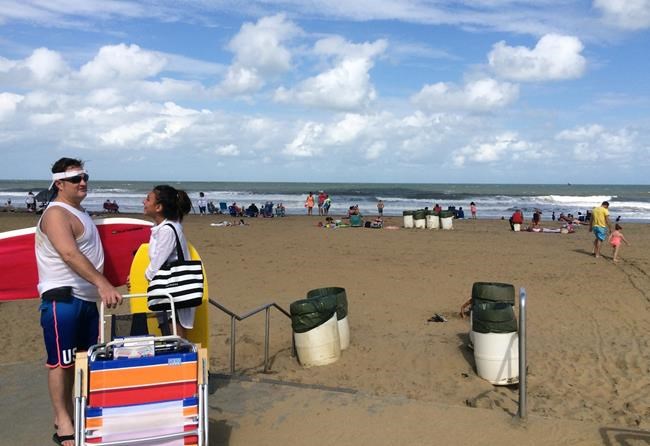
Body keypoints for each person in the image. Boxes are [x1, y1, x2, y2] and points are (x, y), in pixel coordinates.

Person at [36, 157, 122, 446]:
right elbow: (70, 254)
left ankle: (79, 411)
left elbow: (95, 255)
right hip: (63, 298)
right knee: (61, 363)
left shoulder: (81, 211)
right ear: (59, 184)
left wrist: (114, 281)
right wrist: (103, 283)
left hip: (87, 299)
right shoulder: (55, 214)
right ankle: (62, 422)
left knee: (84, 361)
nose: (83, 182)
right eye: (75, 179)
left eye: (85, 177)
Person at [142, 185, 195, 337]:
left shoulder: (167, 230)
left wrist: (145, 276)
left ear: (158, 207)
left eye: (148, 199)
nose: (143, 202)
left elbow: (155, 266)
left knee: (174, 337)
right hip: (169, 292)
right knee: (172, 335)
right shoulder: (166, 228)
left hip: (172, 293)